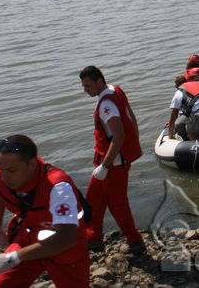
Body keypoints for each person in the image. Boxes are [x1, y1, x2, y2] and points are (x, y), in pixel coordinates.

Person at [0, 135, 89, 288]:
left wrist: (13, 257)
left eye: (12, 170)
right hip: (29, 236)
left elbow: (67, 237)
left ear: (32, 164)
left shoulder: (57, 187)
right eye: (1, 169)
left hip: (64, 246)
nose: (4, 176)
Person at [79, 65, 145, 255]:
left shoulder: (106, 105)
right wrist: (135, 143)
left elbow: (119, 136)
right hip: (112, 160)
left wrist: (105, 166)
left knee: (117, 204)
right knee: (93, 200)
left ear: (99, 81)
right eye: (84, 86)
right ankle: (94, 238)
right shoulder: (115, 89)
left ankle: (135, 242)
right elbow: (131, 118)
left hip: (113, 164)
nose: (85, 90)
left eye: (88, 86)